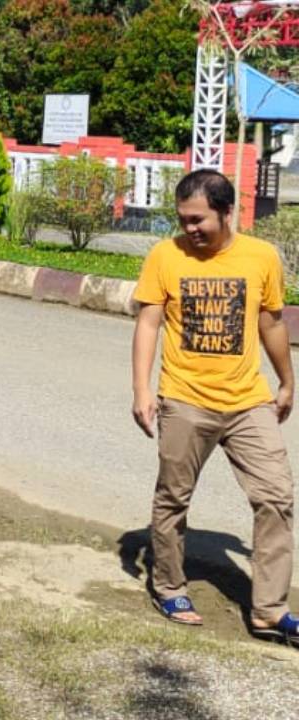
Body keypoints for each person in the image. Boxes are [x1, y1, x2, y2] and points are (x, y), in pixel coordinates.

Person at [131, 169, 299, 644]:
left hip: (248, 400)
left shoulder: (261, 257)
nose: (189, 229)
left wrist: (287, 382)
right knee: (174, 497)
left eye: (198, 219)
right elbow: (149, 323)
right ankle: (169, 586)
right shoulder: (165, 256)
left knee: (276, 497)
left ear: (227, 212)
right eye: (183, 219)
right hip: (185, 398)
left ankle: (269, 611)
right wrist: (142, 390)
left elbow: (271, 324)